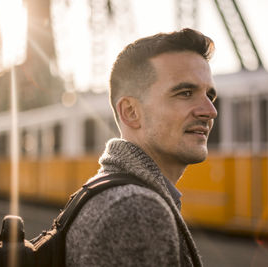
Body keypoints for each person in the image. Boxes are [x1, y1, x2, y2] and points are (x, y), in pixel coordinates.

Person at [66, 28, 218, 267]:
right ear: (131, 112)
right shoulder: (136, 210)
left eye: (210, 95)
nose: (210, 111)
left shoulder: (111, 193)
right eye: (186, 93)